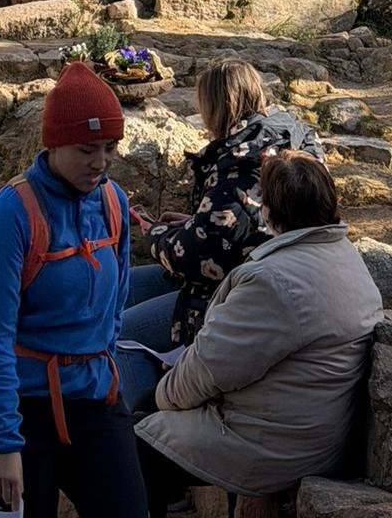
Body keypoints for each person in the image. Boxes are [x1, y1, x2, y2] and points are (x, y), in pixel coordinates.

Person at [134, 151, 384, 516]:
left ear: (268, 211)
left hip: (272, 444)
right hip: (309, 427)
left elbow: (209, 368)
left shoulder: (273, 282)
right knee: (147, 413)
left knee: (132, 443)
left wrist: (163, 398)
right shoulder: (342, 256)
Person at [0, 62, 149, 518]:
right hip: (23, 409)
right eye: (87, 149)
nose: (100, 163)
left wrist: (104, 373)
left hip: (94, 401)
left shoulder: (114, 202)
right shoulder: (11, 213)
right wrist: (5, 444)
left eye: (109, 148)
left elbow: (114, 307)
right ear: (53, 143)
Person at [117, 58, 323, 412]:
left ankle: (135, 417)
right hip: (245, 275)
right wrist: (194, 222)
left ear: (216, 106)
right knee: (118, 286)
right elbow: (244, 227)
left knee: (117, 332)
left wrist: (156, 233)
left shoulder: (241, 162)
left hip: (229, 295)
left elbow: (193, 257)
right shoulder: (291, 136)